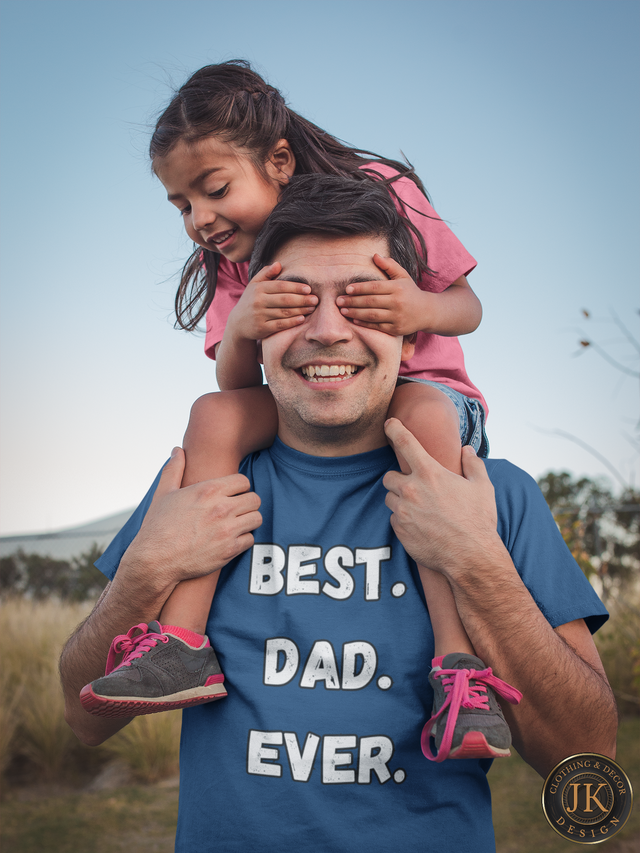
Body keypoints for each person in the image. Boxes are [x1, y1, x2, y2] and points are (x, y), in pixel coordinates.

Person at [60, 175, 616, 853]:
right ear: (255, 331)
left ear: (413, 338)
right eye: (293, 302)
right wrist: (144, 571)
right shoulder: (200, 486)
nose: (327, 331)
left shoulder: (495, 496)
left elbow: (588, 755)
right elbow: (80, 718)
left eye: (362, 301)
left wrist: (477, 560)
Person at [78, 63, 503, 760]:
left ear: (277, 159)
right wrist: (243, 322)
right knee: (212, 413)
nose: (201, 218)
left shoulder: (381, 190)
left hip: (424, 397)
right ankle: (182, 645)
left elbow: (468, 306)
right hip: (315, 399)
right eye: (181, 205)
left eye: (213, 190)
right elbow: (239, 381)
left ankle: (460, 673)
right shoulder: (237, 261)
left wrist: (417, 308)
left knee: (421, 409)